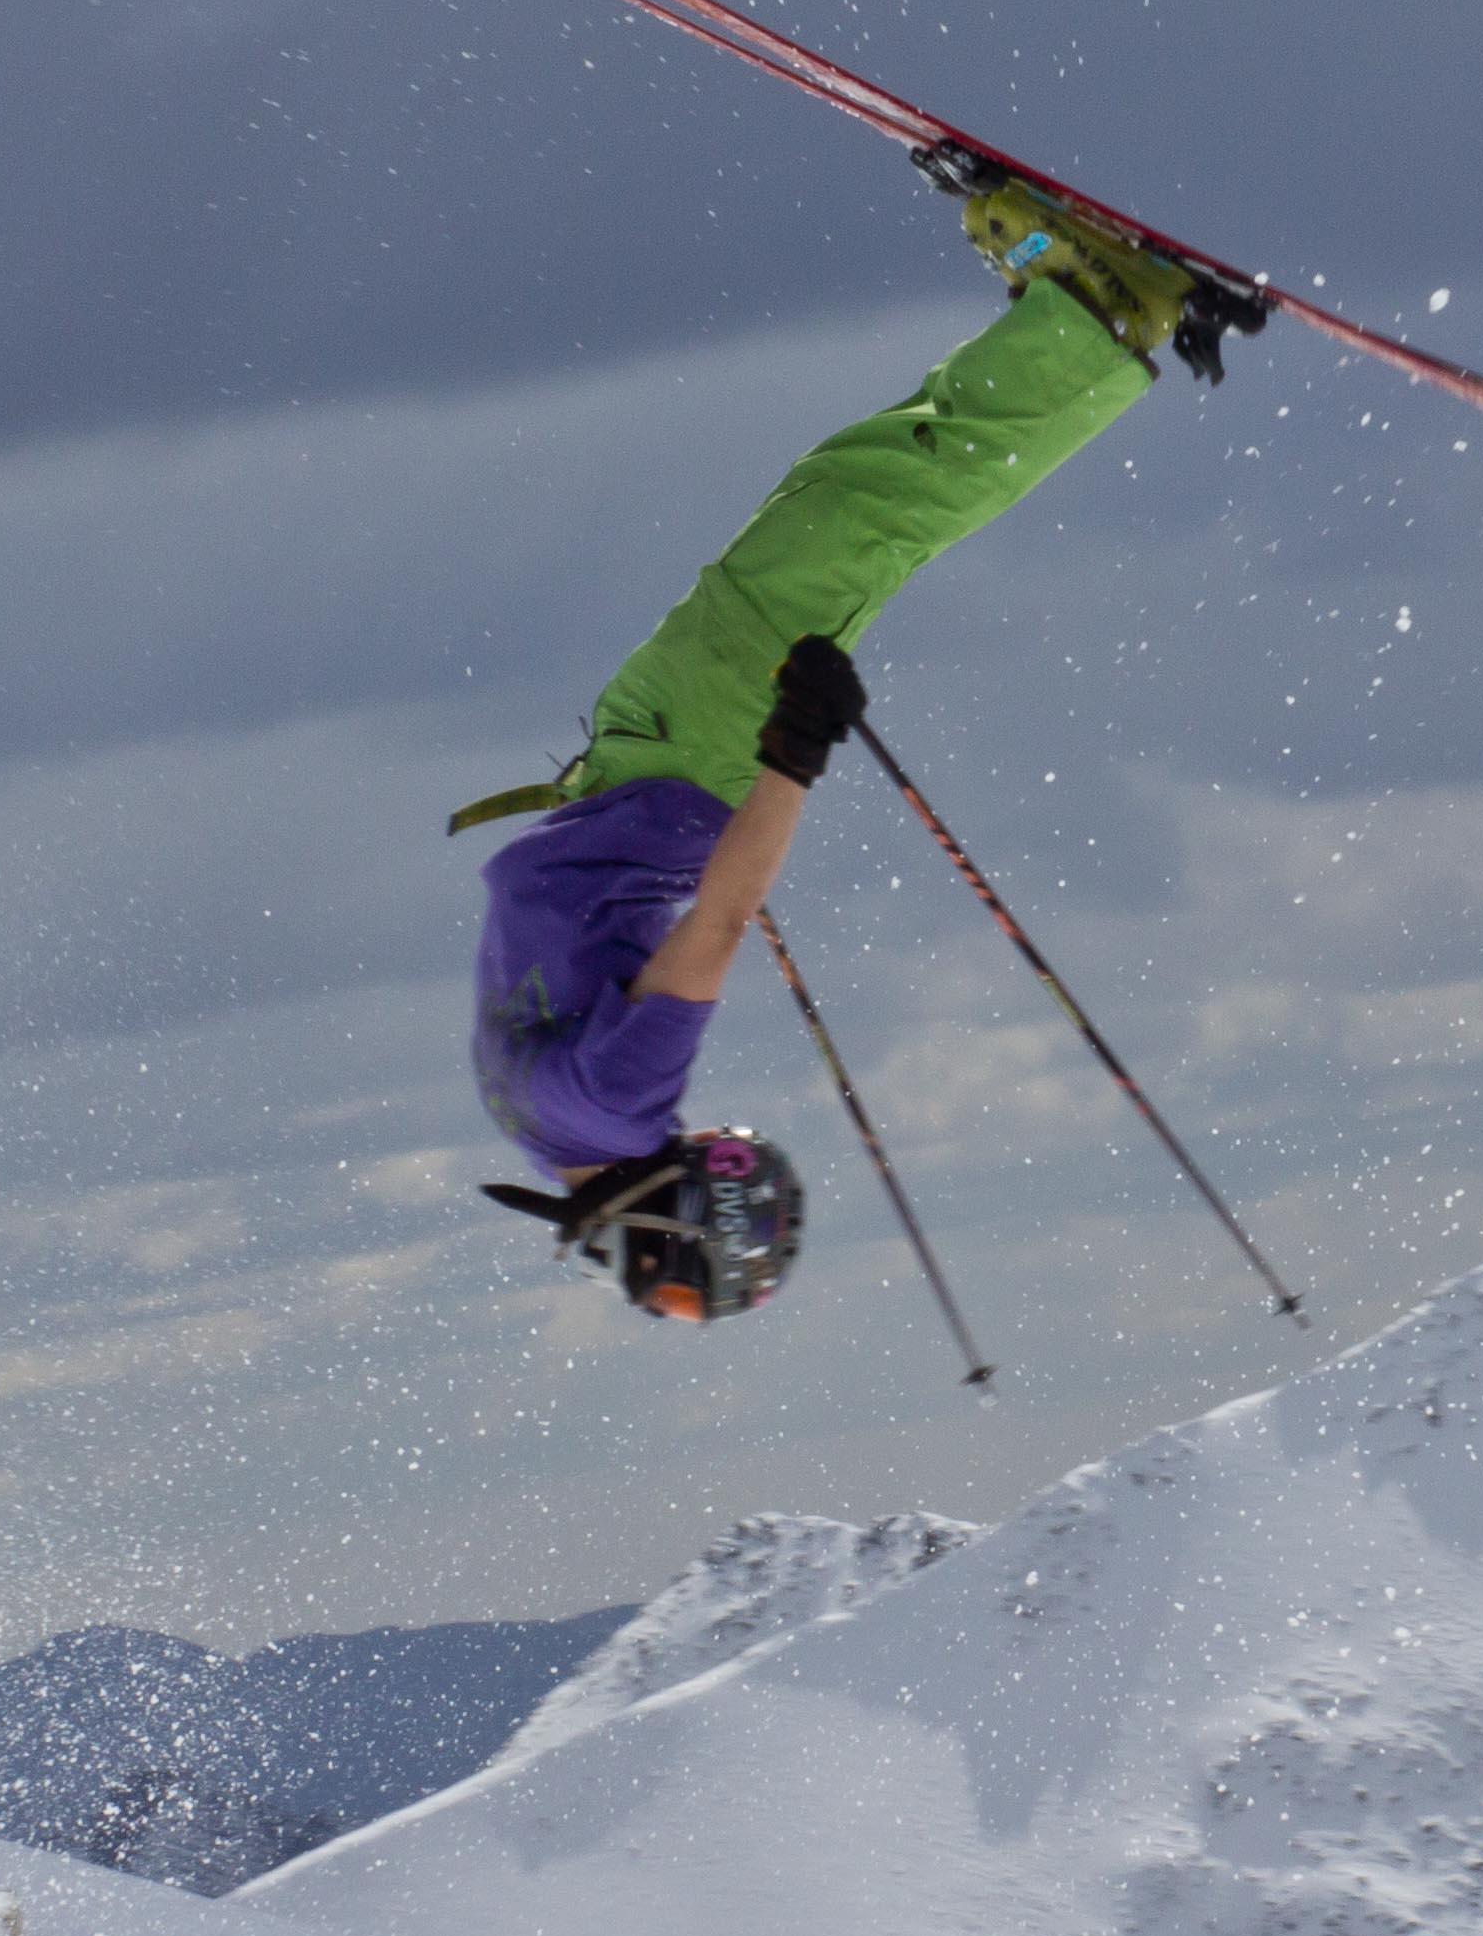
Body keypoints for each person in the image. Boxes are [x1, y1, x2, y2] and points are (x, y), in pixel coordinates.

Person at [460, 174, 1220, 1320]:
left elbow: (719, 926)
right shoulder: (538, 1127)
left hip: (695, 750)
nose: (728, 1155)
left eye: (735, 1188)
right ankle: (1087, 326)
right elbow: (609, 931)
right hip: (652, 758)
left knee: (868, 514)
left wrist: (793, 753)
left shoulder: (615, 1107)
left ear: (688, 1209)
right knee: (862, 512)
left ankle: (1096, 319)